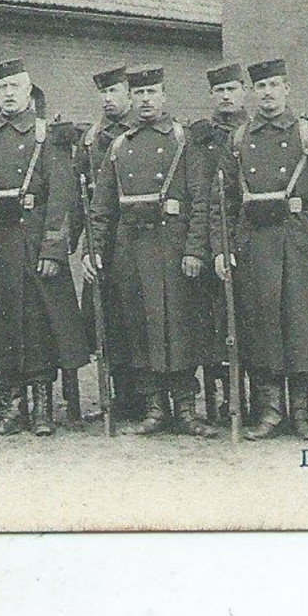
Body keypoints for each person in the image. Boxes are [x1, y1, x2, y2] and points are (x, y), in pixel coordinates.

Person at [211, 59, 308, 441]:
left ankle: (301, 413)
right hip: (254, 245)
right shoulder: (239, 139)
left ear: (286, 87)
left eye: (274, 85)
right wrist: (222, 247)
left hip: (300, 243)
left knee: (300, 329)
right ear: (253, 93)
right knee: (261, 327)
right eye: (261, 87)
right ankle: (269, 411)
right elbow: (222, 199)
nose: (267, 93)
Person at [0, 58, 90, 436]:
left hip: (32, 246)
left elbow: (63, 198)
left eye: (15, 87)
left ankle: (43, 409)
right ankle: (13, 409)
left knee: (38, 326)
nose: (8, 95)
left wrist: (52, 249)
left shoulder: (47, 137)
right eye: (1, 89)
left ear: (29, 91)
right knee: (1, 325)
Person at [85, 66, 216, 437]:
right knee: (139, 327)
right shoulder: (119, 146)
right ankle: (154, 408)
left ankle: (188, 410)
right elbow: (102, 207)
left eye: (152, 93)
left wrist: (195, 250)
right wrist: (93, 250)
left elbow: (201, 200)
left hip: (173, 250)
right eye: (139, 94)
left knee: (180, 327)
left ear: (164, 96)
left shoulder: (182, 140)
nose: (145, 101)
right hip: (130, 249)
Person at [186, 62, 252, 424]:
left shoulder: (254, 131)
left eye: (232, 89)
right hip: (214, 241)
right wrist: (200, 248)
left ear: (243, 91)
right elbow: (198, 194)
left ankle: (253, 400)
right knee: (215, 328)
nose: (226, 97)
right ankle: (222, 402)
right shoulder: (201, 138)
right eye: (219, 91)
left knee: (251, 323)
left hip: (248, 240)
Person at [76, 65, 139, 416]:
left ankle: (142, 397)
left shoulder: (136, 134)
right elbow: (80, 193)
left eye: (115, 92)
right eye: (104, 93)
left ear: (129, 96)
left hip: (132, 233)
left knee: (134, 317)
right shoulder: (91, 139)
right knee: (108, 320)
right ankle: (117, 396)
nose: (108, 99)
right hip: (103, 236)